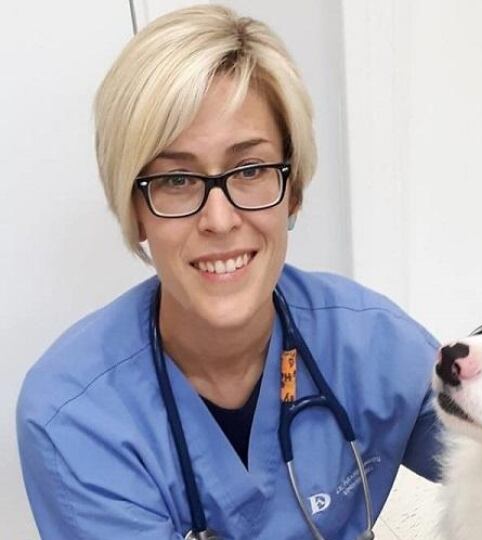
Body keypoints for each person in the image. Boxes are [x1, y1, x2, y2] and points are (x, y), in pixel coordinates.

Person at [16, 5, 441, 539]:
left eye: (252, 169)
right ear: (135, 208)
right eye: (176, 180)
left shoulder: (373, 346)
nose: (220, 219)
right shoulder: (76, 417)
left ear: (294, 190)